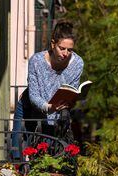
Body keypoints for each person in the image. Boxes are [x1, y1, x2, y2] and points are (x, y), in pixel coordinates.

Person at [11, 20, 84, 158]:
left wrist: (71, 101)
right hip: (29, 110)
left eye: (70, 50)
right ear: (53, 44)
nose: (66, 53)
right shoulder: (36, 61)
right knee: (19, 155)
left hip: (57, 115)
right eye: (62, 48)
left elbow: (71, 91)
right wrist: (48, 107)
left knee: (50, 156)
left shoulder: (78, 63)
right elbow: (34, 95)